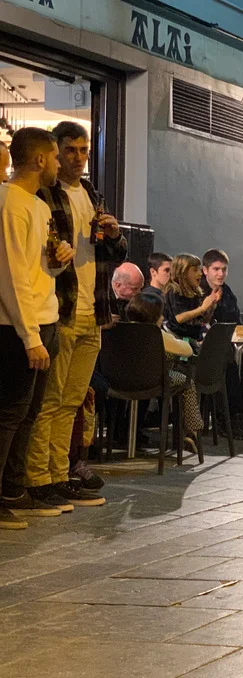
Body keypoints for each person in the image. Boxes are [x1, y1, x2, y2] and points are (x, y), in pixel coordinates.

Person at [25, 121, 126, 509]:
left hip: (94, 310)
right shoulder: (45, 195)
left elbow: (116, 254)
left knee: (73, 400)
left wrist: (114, 234)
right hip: (62, 309)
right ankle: (38, 479)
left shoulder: (91, 192)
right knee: (50, 401)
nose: (79, 158)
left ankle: (61, 473)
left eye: (84, 151)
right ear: (55, 152)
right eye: (70, 150)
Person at [0, 128, 74, 527]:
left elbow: (38, 268)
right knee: (9, 414)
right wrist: (29, 337)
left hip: (45, 320)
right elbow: (11, 277)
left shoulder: (39, 206)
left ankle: (14, 489)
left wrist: (59, 259)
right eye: (56, 157)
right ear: (40, 159)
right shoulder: (10, 203)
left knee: (29, 412)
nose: (59, 164)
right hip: (16, 328)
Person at [126, 292, 203, 452]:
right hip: (155, 379)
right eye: (161, 314)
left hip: (120, 380)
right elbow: (187, 350)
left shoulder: (122, 329)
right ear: (154, 316)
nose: (163, 317)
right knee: (187, 382)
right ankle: (192, 431)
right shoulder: (157, 334)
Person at [199, 248, 243, 440]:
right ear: (205, 270)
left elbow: (235, 321)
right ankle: (226, 419)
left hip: (224, 346)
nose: (220, 274)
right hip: (203, 349)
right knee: (229, 367)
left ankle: (237, 416)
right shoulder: (198, 291)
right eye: (216, 269)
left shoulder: (228, 292)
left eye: (224, 269)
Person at [163, 253, 218, 341]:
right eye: (195, 270)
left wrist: (211, 306)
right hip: (178, 339)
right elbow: (179, 318)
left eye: (199, 269)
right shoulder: (174, 291)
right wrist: (202, 308)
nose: (200, 273)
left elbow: (204, 320)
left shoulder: (195, 293)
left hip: (193, 338)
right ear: (183, 272)